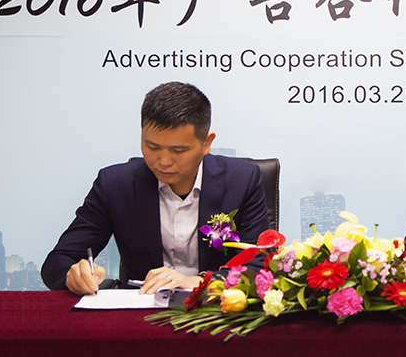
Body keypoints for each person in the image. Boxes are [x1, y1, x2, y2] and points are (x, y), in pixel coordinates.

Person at [41, 82, 270, 295]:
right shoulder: (115, 185)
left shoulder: (242, 180)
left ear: (206, 143)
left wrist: (201, 282)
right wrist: (74, 275)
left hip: (216, 312)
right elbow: (57, 262)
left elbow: (260, 265)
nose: (163, 161)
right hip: (141, 312)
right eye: (152, 147)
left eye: (178, 150)